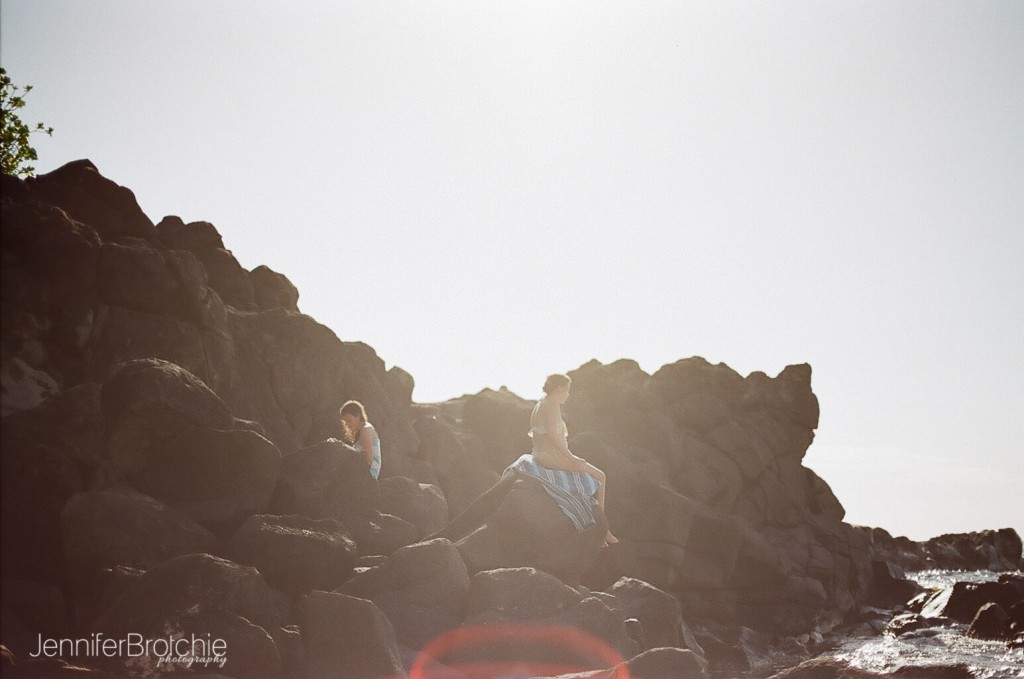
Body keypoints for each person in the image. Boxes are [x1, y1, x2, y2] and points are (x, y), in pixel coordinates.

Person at [529, 373, 618, 545]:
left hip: (540, 454)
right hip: (550, 456)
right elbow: (554, 436)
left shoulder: (541, 403)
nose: (568, 395)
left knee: (592, 475)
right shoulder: (552, 405)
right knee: (600, 477)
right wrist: (571, 458)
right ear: (559, 389)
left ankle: (600, 528)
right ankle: (603, 531)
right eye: (567, 390)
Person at [339, 400, 381, 479]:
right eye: (345, 422)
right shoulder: (362, 430)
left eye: (349, 420)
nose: (347, 424)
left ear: (358, 416)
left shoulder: (366, 429)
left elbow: (369, 459)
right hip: (364, 471)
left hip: (369, 473)